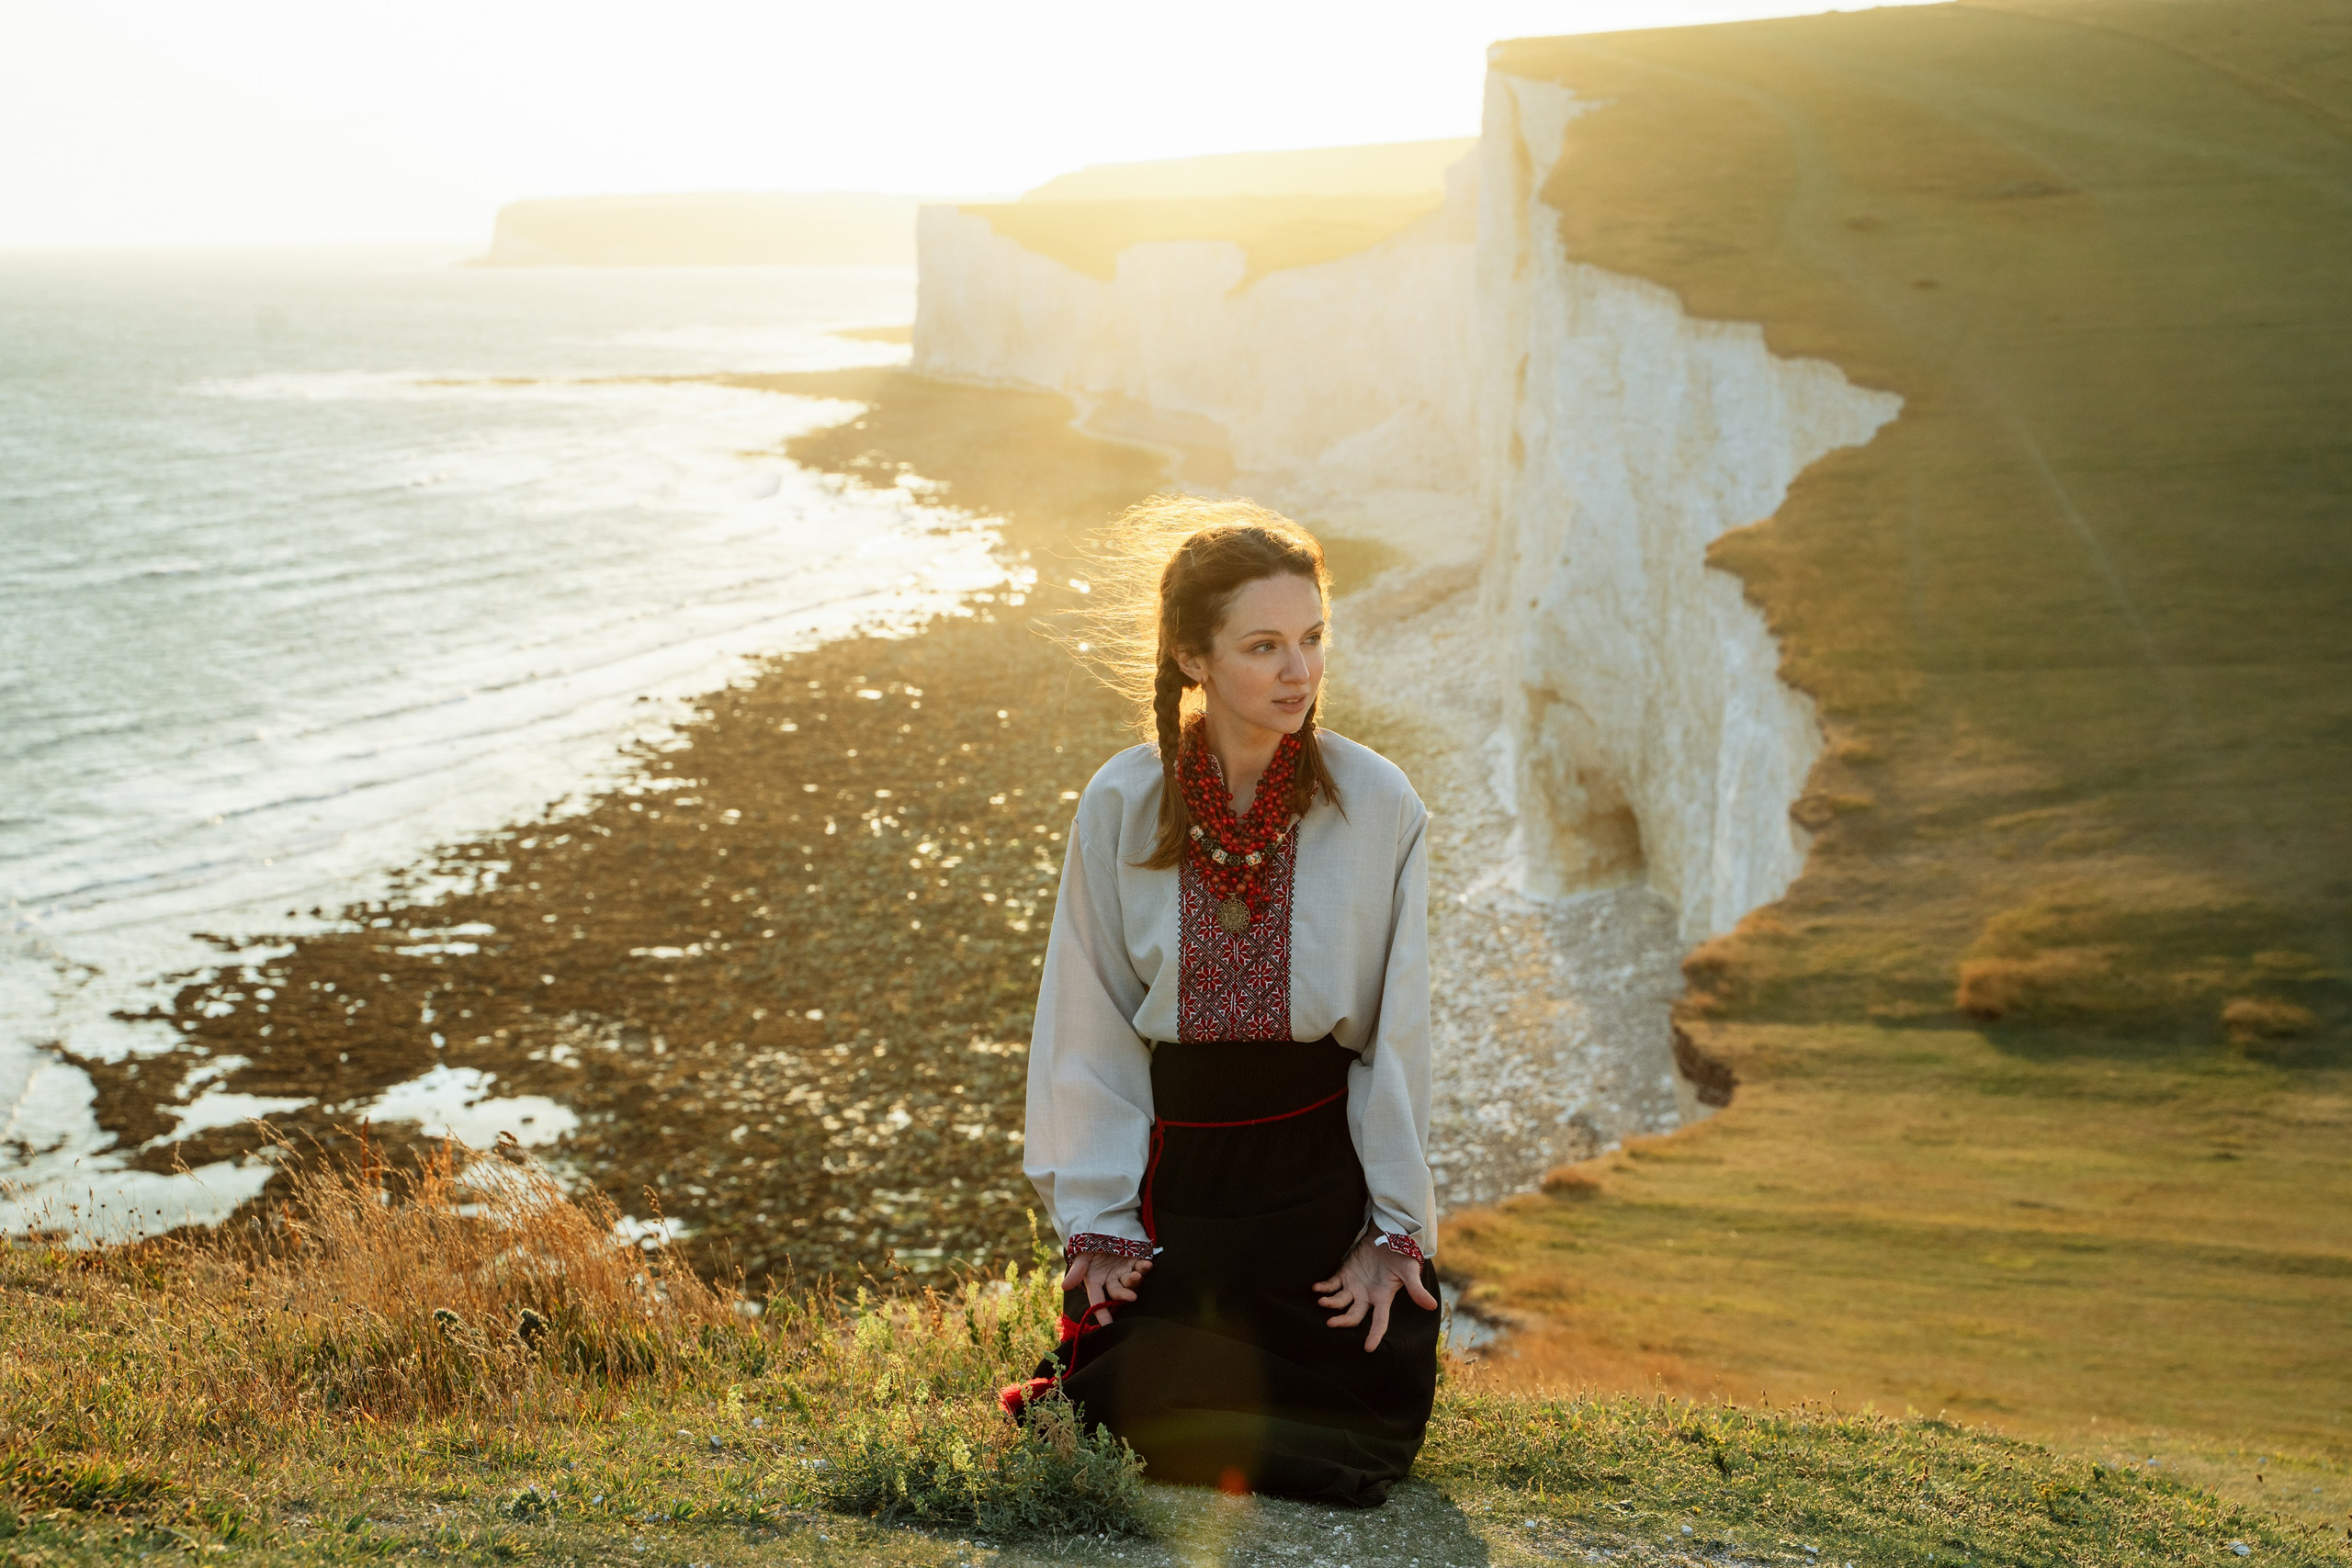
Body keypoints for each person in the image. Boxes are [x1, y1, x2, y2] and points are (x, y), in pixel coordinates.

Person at [1003, 495, 1441, 1508]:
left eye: (1313, 638)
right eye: (1264, 645)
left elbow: (1397, 1039)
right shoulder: (1122, 801)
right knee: (1107, 1397)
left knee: (1357, 1426)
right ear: (1192, 656)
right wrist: (1102, 1222)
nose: (1300, 671)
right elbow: (1088, 1022)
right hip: (1178, 1185)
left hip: (1320, 1181)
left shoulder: (1379, 806)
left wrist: (1390, 1233)